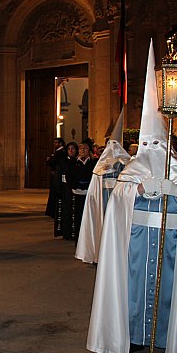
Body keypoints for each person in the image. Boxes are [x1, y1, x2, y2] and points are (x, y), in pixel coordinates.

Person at [87, 41, 177, 353]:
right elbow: (119, 201)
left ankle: (171, 337)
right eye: (145, 143)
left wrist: (175, 189)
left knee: (172, 289)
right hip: (135, 241)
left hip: (175, 240)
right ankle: (134, 335)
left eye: (155, 142)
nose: (149, 149)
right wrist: (138, 188)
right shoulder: (133, 169)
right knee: (134, 289)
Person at [75, 109, 130, 264]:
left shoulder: (127, 162)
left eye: (114, 144)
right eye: (109, 144)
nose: (111, 147)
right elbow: (96, 179)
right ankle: (100, 253)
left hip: (118, 197)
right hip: (103, 197)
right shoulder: (102, 162)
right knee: (102, 223)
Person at [68, 141, 97, 242]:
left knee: (88, 215)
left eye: (85, 148)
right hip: (77, 191)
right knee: (77, 215)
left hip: (89, 192)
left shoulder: (94, 162)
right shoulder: (73, 162)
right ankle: (78, 237)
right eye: (80, 149)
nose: (82, 150)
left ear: (89, 150)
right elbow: (70, 175)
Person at [55, 142, 78, 238]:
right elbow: (59, 175)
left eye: (73, 149)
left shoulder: (78, 161)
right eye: (69, 149)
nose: (71, 151)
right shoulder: (63, 162)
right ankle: (66, 232)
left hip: (76, 189)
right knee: (66, 211)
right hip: (65, 189)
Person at [45, 138, 66, 218]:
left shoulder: (61, 152)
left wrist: (50, 159)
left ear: (60, 143)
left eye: (56, 142)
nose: (54, 144)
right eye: (54, 142)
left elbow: (53, 162)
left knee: (56, 193)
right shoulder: (57, 152)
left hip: (58, 176)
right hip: (55, 175)